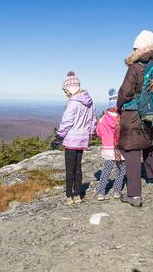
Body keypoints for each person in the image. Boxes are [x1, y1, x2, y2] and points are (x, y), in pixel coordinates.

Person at [117, 30, 153, 207]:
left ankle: (134, 195)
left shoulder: (137, 66)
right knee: (149, 145)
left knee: (132, 151)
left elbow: (125, 91)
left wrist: (118, 106)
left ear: (139, 48)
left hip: (135, 114)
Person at [53, 71, 97, 205]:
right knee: (78, 167)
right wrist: (90, 135)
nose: (65, 92)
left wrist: (58, 137)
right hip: (82, 139)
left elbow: (67, 123)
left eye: (65, 90)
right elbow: (93, 121)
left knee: (69, 168)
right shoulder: (89, 102)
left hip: (72, 139)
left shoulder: (73, 103)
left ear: (69, 88)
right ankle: (77, 195)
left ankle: (69, 196)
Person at [96, 88, 125, 200]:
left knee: (106, 171)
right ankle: (117, 191)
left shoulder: (103, 119)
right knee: (121, 171)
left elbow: (99, 133)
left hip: (107, 149)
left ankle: (101, 193)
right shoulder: (123, 118)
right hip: (121, 149)